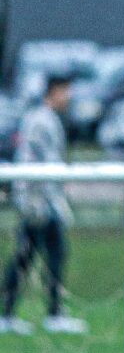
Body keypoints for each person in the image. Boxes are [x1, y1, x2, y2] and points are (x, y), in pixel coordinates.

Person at [1, 74, 87, 335]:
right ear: (53, 91)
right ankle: (14, 314)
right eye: (65, 91)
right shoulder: (41, 120)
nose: (69, 97)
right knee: (28, 257)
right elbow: (37, 161)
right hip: (37, 201)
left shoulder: (48, 119)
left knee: (47, 255)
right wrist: (44, 199)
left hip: (43, 200)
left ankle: (51, 313)